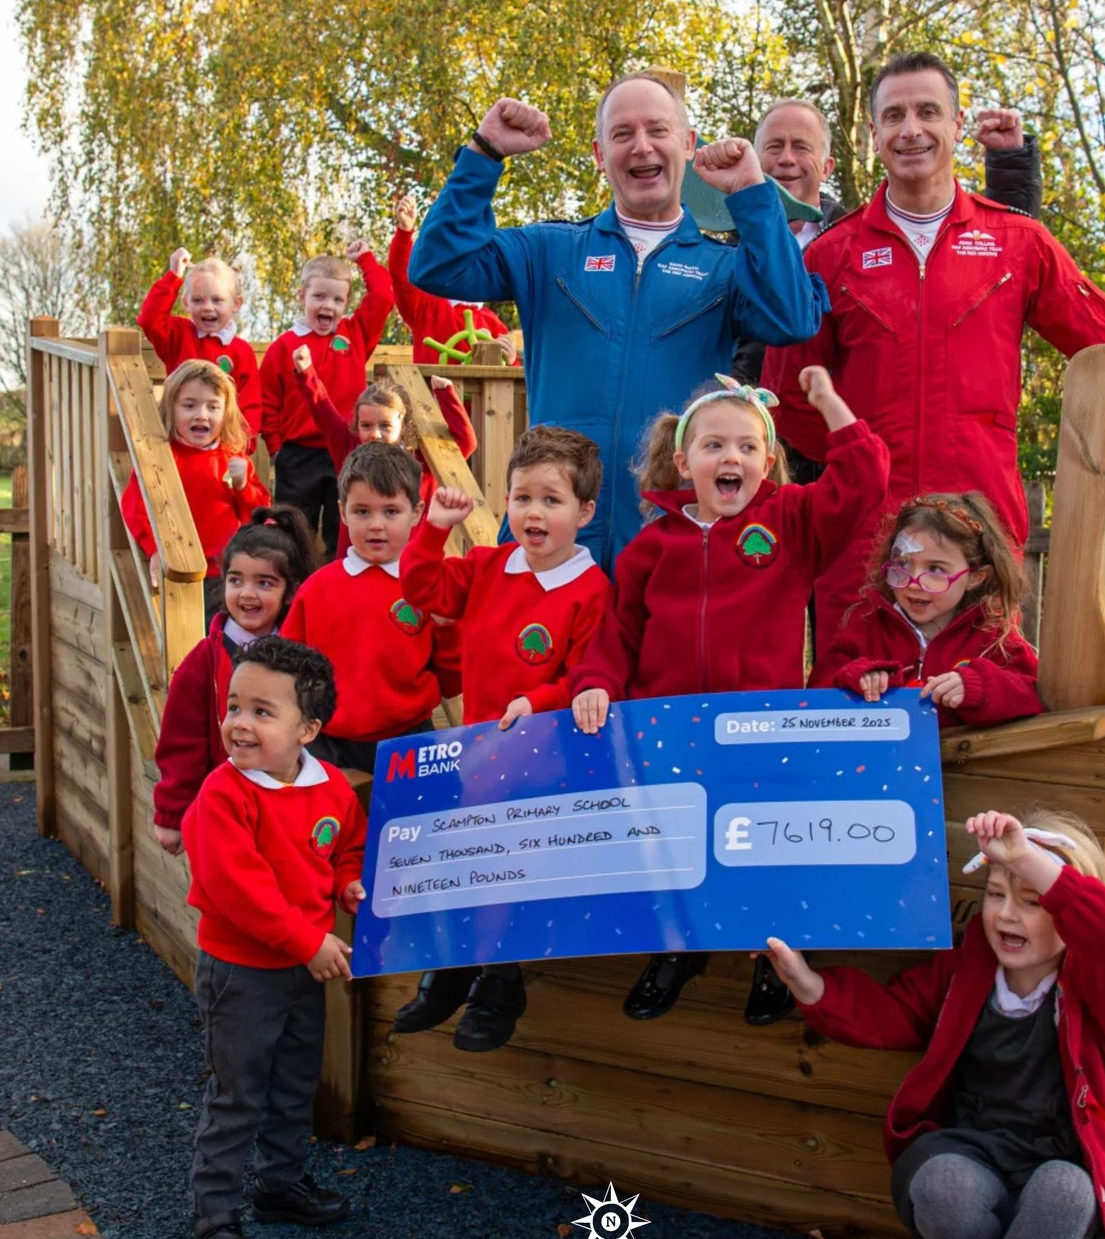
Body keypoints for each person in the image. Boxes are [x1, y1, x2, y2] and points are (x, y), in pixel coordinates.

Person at [762, 51, 1105, 630]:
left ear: (957, 124)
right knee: (858, 684)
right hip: (864, 535)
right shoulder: (830, 255)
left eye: (927, 112)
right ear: (873, 134)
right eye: (894, 116)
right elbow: (786, 396)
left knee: (981, 680)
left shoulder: (1018, 242)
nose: (911, 130)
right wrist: (860, 462)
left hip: (979, 531)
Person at [765, 809, 1105, 1239]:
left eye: (1033, 900)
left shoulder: (1097, 991)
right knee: (940, 1186)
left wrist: (1026, 857)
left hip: (1054, 1162)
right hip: (976, 1152)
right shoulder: (967, 968)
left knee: (1066, 1189)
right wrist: (807, 982)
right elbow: (894, 1013)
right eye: (995, 895)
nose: (1007, 914)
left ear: (1066, 906)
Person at [569, 367, 888, 1024]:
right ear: (684, 462)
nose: (731, 457)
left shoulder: (791, 521)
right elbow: (620, 632)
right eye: (713, 445)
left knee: (763, 851)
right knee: (673, 848)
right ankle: (678, 949)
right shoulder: (651, 547)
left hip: (760, 731)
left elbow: (864, 482)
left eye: (747, 446)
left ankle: (775, 958)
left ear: (767, 463)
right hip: (671, 731)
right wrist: (596, 682)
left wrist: (829, 404)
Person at [408, 75, 828, 568]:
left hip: (669, 544)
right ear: (599, 153)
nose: (641, 146)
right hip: (551, 541)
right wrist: (484, 154)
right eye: (622, 134)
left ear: (688, 145)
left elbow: (793, 318)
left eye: (658, 130)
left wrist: (753, 195)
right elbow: (438, 264)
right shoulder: (549, 250)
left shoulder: (724, 268)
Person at [392, 428, 612, 1052]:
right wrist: (433, 530)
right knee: (462, 859)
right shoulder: (489, 566)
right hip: (477, 754)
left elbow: (589, 678)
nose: (533, 513)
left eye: (551, 500)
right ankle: (455, 969)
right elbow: (420, 589)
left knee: (509, 871)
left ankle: (501, 983)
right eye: (522, 498)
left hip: (543, 765)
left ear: (585, 512)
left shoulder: (593, 591)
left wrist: (539, 702)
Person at [180, 634, 367, 1239]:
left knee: (294, 1084)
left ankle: (279, 1186)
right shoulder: (223, 795)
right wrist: (308, 941)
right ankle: (214, 1212)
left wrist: (348, 881)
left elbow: (346, 844)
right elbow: (240, 890)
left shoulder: (331, 787)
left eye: (263, 712)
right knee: (237, 1094)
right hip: (241, 974)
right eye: (235, 706)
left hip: (301, 968)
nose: (240, 723)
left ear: (307, 730)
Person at [732, 99, 1045, 461]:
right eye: (774, 147)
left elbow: (991, 257)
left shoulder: (853, 246)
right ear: (755, 161)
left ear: (827, 167)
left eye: (801, 147)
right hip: (746, 451)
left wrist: (1010, 167)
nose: (786, 159)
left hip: (840, 458)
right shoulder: (724, 252)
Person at [151, 506, 320, 855]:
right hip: (224, 808)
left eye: (264, 583)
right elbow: (181, 741)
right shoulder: (204, 660)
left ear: (290, 591)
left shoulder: (302, 656)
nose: (247, 594)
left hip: (290, 806)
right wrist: (171, 813)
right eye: (236, 580)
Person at [277, 443, 441, 774]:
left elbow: (450, 671)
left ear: (416, 512)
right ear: (342, 512)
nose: (376, 525)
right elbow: (287, 668)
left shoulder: (431, 587)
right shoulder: (317, 589)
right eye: (362, 512)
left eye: (391, 511)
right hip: (328, 742)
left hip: (410, 737)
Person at [814, 492, 1041, 729]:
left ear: (976, 577)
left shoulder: (995, 639)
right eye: (902, 564)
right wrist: (853, 678)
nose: (913, 582)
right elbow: (815, 693)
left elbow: (1034, 693)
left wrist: (979, 688)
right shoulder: (865, 630)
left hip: (965, 753)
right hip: (882, 753)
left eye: (935, 569)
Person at [260, 243, 396, 553]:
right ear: (302, 297)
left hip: (346, 449)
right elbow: (267, 400)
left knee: (344, 529)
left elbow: (384, 296)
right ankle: (292, 583)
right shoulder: (284, 346)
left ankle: (342, 579)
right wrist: (277, 447)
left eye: (337, 299)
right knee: (293, 531)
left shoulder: (355, 334)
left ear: (347, 303)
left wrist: (365, 260)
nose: (328, 306)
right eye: (319, 297)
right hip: (297, 454)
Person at [119, 359, 272, 618]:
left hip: (225, 573)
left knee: (222, 633)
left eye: (213, 407)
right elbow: (135, 506)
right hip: (177, 570)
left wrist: (243, 486)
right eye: (189, 406)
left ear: (226, 413)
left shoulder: (233, 459)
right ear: (171, 409)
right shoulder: (161, 457)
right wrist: (153, 549)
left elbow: (259, 516)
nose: (201, 414)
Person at [288, 349, 478, 514]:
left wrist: (446, 396)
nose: (375, 434)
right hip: (358, 545)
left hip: (409, 545)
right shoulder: (349, 448)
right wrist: (306, 372)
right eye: (366, 425)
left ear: (402, 426)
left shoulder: (419, 460)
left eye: (385, 426)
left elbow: (465, 443)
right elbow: (322, 409)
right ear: (357, 425)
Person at [137, 249, 262, 442]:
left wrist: (239, 447)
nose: (208, 307)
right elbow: (149, 320)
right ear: (186, 303)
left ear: (236, 304)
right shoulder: (179, 335)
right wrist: (174, 276)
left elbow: (250, 404)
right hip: (178, 442)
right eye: (198, 300)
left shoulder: (241, 351)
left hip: (223, 447)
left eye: (217, 300)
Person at [388, 193, 518, 366]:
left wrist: (511, 360)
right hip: (430, 385)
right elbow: (402, 277)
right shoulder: (426, 307)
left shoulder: (493, 323)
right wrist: (405, 232)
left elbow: (508, 377)